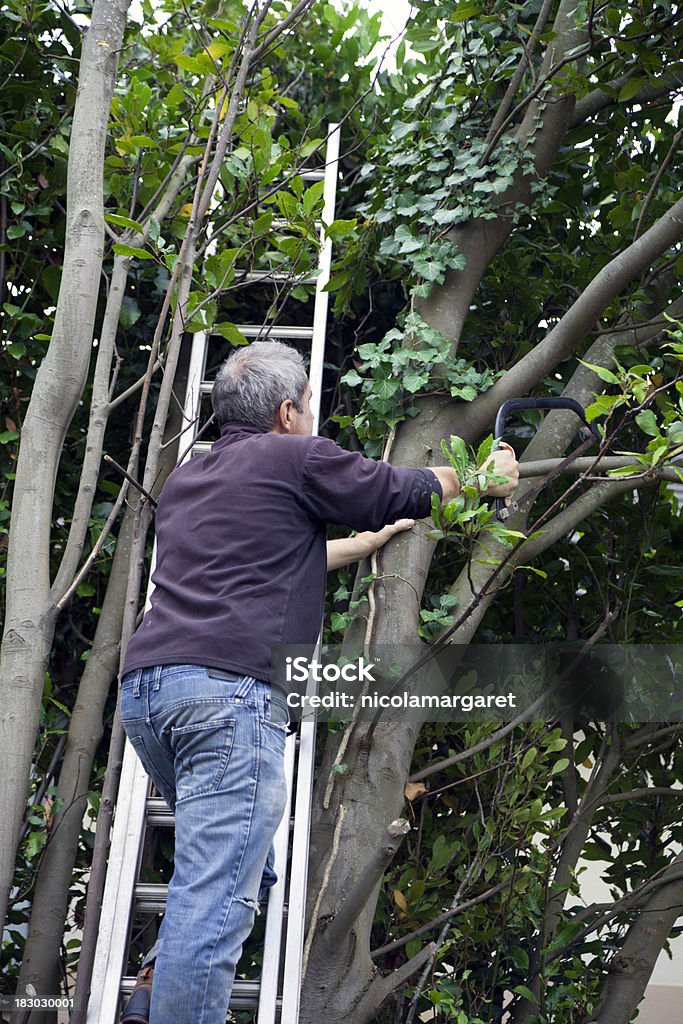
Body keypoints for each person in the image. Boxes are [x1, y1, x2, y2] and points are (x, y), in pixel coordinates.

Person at [118, 341, 518, 1024]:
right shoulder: (294, 456)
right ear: (285, 411)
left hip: (152, 692)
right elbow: (396, 489)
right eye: (307, 405)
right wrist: (478, 476)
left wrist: (357, 547)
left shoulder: (192, 477)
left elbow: (260, 552)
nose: (310, 417)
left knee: (232, 864)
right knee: (216, 898)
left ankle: (158, 984)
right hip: (229, 694)